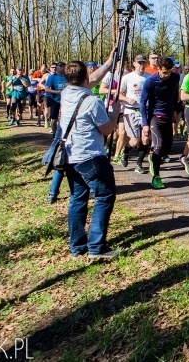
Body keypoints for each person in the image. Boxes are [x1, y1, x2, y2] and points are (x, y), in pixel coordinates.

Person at [60, 58, 122, 259]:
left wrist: (110, 62)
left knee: (78, 198)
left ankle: (77, 247)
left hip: (70, 156)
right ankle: (96, 246)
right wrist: (114, 113)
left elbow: (92, 80)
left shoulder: (66, 93)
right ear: (85, 77)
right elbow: (106, 129)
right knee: (105, 196)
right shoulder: (92, 101)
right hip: (91, 156)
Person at [140, 57, 181, 190]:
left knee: (167, 147)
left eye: (169, 72)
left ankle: (154, 158)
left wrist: (175, 110)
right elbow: (142, 103)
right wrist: (145, 123)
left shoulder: (175, 77)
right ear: (158, 69)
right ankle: (156, 177)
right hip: (155, 117)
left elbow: (175, 94)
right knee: (158, 145)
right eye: (164, 72)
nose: (166, 75)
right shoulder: (150, 81)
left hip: (168, 116)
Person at [116, 55, 151, 174]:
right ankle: (125, 152)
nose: (141, 65)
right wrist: (127, 99)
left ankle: (139, 164)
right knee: (135, 141)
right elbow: (118, 95)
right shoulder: (127, 78)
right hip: (130, 110)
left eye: (143, 63)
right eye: (139, 63)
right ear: (134, 64)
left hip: (145, 111)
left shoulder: (149, 78)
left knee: (145, 138)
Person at [41, 62, 67, 133]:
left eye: (63, 66)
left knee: (65, 119)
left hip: (66, 101)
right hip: (55, 100)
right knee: (54, 119)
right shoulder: (52, 77)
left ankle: (64, 135)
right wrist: (57, 92)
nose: (62, 68)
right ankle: (54, 135)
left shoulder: (68, 76)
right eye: (60, 66)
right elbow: (46, 89)